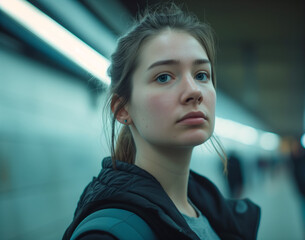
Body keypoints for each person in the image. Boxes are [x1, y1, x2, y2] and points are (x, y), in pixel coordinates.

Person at [63, 3, 261, 240]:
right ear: (122, 109)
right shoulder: (109, 235)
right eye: (164, 77)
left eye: (201, 75)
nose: (194, 91)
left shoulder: (210, 213)